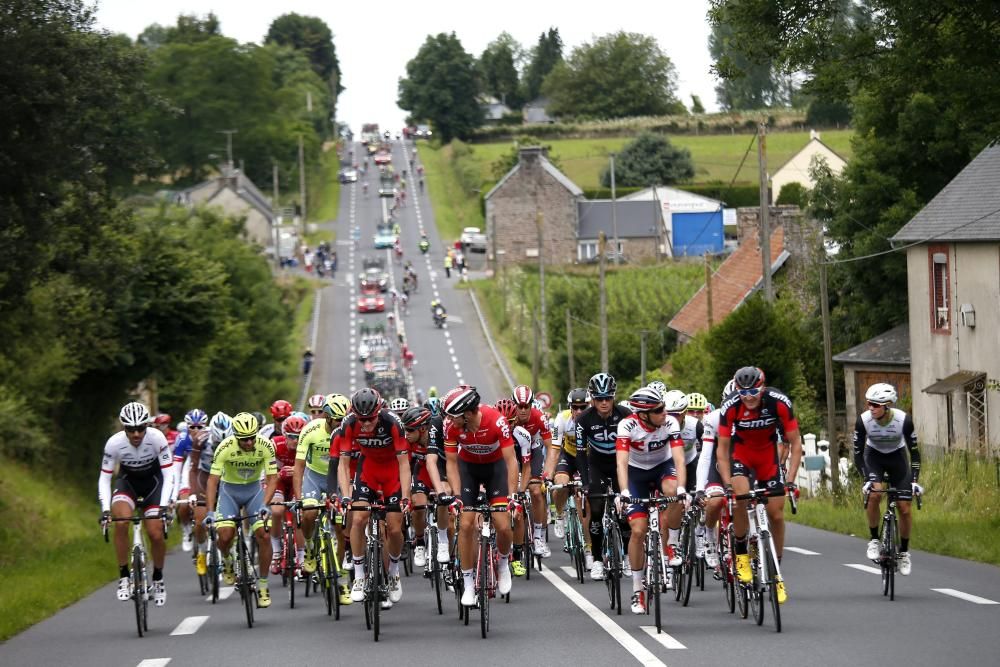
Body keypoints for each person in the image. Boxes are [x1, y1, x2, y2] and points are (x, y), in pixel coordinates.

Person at [716, 366, 802, 604]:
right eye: (743, 392)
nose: (749, 396)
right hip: (740, 456)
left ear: (762, 387)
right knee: (742, 498)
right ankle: (742, 554)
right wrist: (727, 484)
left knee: (776, 514)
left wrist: (791, 480)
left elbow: (795, 444)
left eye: (754, 390)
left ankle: (776, 571)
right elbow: (722, 450)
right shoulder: (731, 406)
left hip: (767, 458)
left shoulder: (779, 402)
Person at [442, 386, 518, 606]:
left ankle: (503, 563)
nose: (449, 419)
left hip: (495, 469)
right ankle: (468, 584)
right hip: (469, 470)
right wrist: (457, 496)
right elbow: (452, 463)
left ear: (466, 414)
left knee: (503, 525)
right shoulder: (451, 427)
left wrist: (512, 496)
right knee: (465, 525)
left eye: (452, 416)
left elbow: (511, 461)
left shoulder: (496, 421)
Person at [615, 387, 685, 614]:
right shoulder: (627, 426)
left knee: (674, 492)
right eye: (659, 410)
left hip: (662, 468)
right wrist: (624, 492)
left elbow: (679, 458)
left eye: (664, 407)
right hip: (636, 474)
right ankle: (638, 590)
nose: (665, 412)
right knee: (638, 531)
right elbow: (621, 463)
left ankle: (672, 543)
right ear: (644, 414)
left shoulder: (670, 423)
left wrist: (683, 488)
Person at [339, 388, 410, 607]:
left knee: (394, 528)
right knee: (358, 518)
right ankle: (360, 575)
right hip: (368, 471)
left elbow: (404, 463)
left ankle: (394, 572)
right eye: (362, 420)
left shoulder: (393, 423)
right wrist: (345, 495)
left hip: (392, 474)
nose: (366, 424)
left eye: (370, 419)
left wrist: (405, 497)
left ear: (379, 412)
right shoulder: (349, 423)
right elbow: (343, 463)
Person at [99, 402, 174, 606]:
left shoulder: (157, 438)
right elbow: (104, 479)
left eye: (141, 428)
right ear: (124, 428)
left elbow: (169, 474)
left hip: (153, 484)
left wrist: (165, 506)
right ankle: (124, 576)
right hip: (127, 484)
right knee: (121, 522)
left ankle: (158, 578)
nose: (136, 434)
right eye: (130, 429)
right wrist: (105, 510)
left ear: (147, 426)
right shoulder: (113, 443)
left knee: (155, 533)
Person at [203, 412, 278, 608]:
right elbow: (212, 481)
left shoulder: (265, 445)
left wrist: (265, 504)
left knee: (264, 535)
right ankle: (227, 560)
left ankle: (262, 585)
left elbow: (272, 478)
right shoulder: (225, 447)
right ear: (236, 436)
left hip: (254, 491)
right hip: (229, 492)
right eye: (244, 439)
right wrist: (210, 512)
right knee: (225, 536)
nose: (249, 442)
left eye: (252, 437)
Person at [854, 382, 921, 575]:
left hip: (897, 458)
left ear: (888, 404)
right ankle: (874, 539)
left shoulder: (904, 420)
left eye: (875, 405)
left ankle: (904, 553)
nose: (871, 408)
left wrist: (914, 480)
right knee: (875, 494)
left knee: (904, 508)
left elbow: (914, 453)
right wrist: (866, 478)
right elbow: (858, 454)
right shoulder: (863, 421)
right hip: (873, 457)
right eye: (869, 403)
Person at [295, 393, 353, 606]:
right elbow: (299, 467)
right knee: (309, 512)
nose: (341, 424)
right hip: (313, 477)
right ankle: (309, 547)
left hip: (337, 478)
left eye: (344, 420)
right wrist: (300, 497)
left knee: (341, 529)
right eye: (337, 420)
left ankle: (342, 578)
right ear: (327, 418)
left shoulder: (348, 431)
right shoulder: (310, 431)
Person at [575, 373, 633, 581]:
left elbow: (634, 447)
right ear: (592, 398)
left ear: (614, 396)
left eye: (607, 397)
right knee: (597, 510)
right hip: (597, 465)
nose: (604, 402)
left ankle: (626, 556)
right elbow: (580, 453)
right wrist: (585, 482)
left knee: (624, 512)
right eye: (599, 399)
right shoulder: (583, 419)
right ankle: (598, 560)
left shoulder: (626, 415)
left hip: (620, 464)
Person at [509, 385, 553, 562]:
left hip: (533, 451)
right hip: (513, 453)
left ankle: (539, 537)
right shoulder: (507, 418)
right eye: (519, 406)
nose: (523, 410)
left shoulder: (538, 417)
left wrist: (547, 472)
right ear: (514, 406)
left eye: (527, 406)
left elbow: (550, 447)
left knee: (536, 491)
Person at [547, 389, 590, 561]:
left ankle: (588, 548)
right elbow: (554, 450)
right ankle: (559, 514)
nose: (579, 411)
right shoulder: (561, 419)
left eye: (583, 407)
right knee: (561, 483)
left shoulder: (593, 419)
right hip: (568, 456)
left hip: (587, 457)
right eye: (575, 407)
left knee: (584, 501)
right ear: (570, 407)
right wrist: (548, 475)